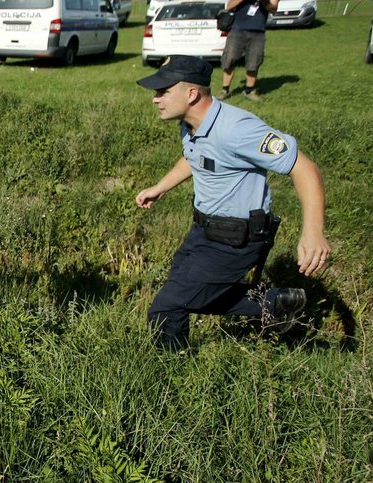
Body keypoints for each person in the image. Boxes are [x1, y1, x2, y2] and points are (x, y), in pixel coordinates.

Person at [135, 55, 330, 350]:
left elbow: (305, 168)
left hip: (237, 239)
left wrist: (313, 231)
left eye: (163, 91)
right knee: (185, 293)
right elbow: (197, 157)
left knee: (167, 307)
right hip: (204, 231)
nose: (155, 99)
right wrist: (161, 187)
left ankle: (169, 374)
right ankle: (277, 303)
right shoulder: (191, 123)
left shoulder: (237, 129)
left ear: (191, 94)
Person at [218, 0, 279, 101]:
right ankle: (225, 90)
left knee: (254, 61)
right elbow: (229, 6)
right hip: (238, 29)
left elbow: (273, 9)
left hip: (258, 31)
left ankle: (249, 91)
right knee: (229, 59)